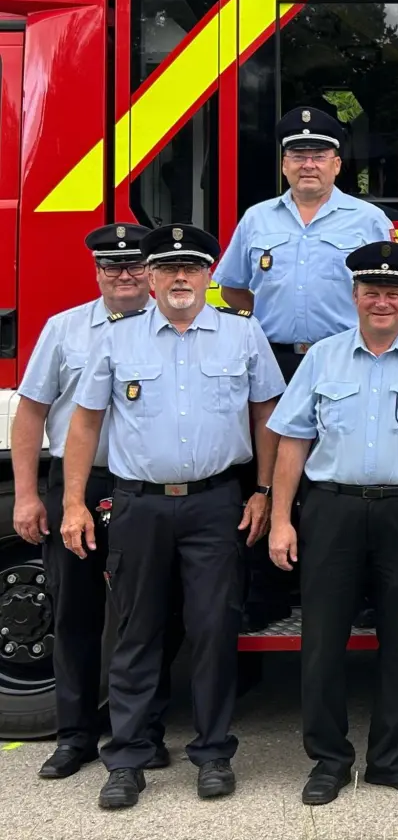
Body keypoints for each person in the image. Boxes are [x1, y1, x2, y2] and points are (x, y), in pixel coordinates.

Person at [59, 224, 285, 810]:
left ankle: (213, 754)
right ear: (152, 278)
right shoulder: (118, 339)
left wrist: (261, 491)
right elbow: (84, 424)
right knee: (137, 633)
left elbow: (268, 415)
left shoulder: (243, 333)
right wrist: (74, 501)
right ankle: (128, 760)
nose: (180, 278)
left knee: (213, 631)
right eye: (168, 269)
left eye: (191, 268)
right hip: (138, 504)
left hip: (217, 503)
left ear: (209, 275)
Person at [265, 241, 398, 806]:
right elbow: (292, 442)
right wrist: (282, 519)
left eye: (394, 292)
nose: (383, 301)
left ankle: (389, 759)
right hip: (331, 509)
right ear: (355, 295)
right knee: (323, 641)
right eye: (372, 291)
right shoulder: (321, 358)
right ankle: (329, 760)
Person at [15, 224, 180, 780]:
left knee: (150, 611)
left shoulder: (179, 329)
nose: (125, 275)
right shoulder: (64, 330)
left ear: (152, 272)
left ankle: (147, 733)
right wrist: (28, 496)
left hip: (144, 487)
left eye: (135, 266)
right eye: (113, 266)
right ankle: (75, 736)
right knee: (75, 609)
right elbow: (31, 412)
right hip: (81, 484)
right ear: (97, 272)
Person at [215, 107, 395, 380]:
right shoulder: (256, 218)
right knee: (270, 424)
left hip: (346, 357)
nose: (308, 165)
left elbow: (391, 291)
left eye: (319, 157)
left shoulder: (369, 220)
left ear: (336, 165)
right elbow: (232, 287)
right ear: (284, 165)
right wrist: (268, 316)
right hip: (273, 359)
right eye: (298, 156)